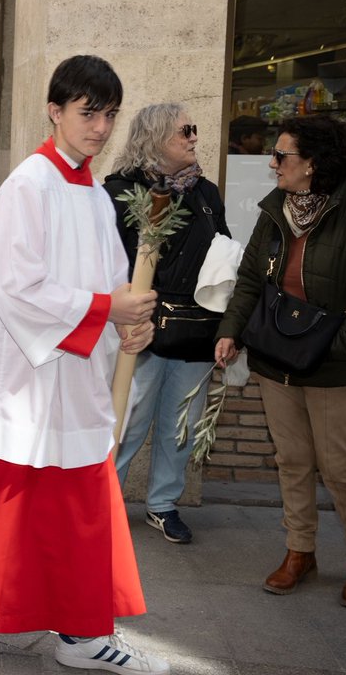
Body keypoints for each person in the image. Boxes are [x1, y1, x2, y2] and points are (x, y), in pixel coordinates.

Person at [0, 55, 167, 674]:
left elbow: (108, 282)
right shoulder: (27, 185)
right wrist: (108, 307)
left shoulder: (96, 195)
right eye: (87, 113)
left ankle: (81, 633)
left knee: (77, 505)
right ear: (55, 111)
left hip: (72, 374)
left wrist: (127, 324)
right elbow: (16, 288)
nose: (100, 128)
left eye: (108, 115)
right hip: (19, 379)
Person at [215, 115, 346, 609]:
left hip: (334, 366)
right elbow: (251, 281)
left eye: (281, 155)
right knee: (291, 461)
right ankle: (300, 552)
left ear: (312, 164)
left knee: (339, 467)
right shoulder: (274, 212)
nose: (273, 164)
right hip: (276, 360)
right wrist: (230, 332)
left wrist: (333, 345)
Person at [103, 103, 231, 545]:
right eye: (185, 131)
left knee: (183, 424)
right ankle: (104, 503)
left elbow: (222, 254)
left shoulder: (206, 194)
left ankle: (162, 504)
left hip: (196, 329)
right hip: (143, 328)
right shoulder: (121, 191)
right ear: (155, 138)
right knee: (128, 419)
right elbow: (111, 264)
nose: (194, 137)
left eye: (193, 131)